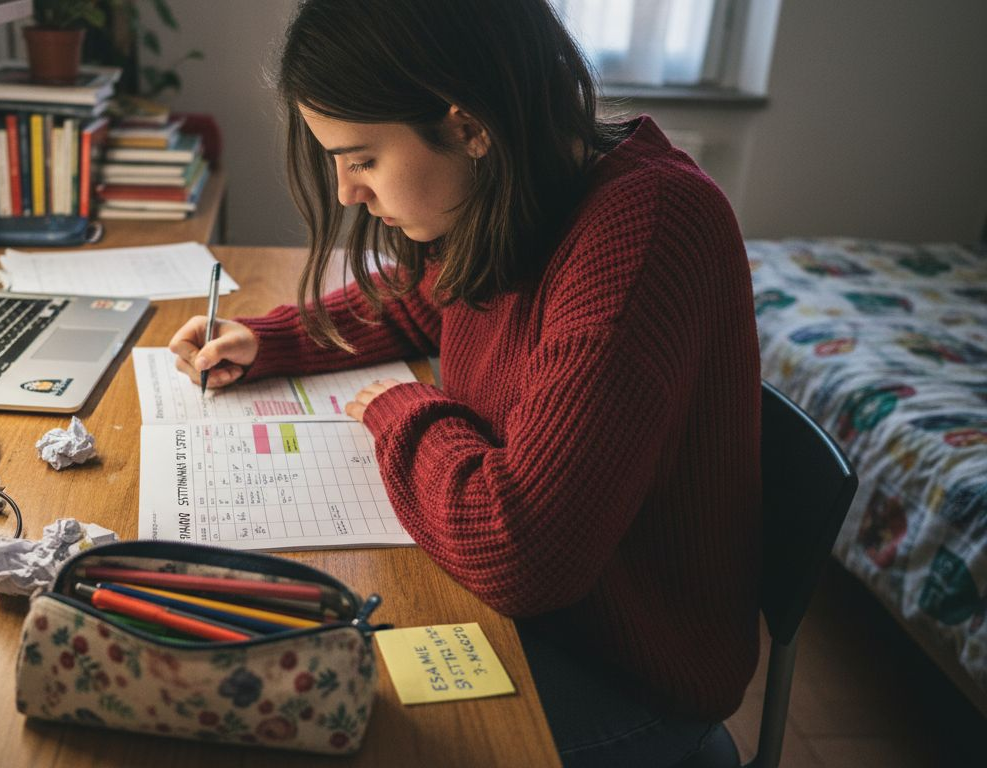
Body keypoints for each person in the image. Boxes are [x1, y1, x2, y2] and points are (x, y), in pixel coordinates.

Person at [169, 1, 760, 765]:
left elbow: (520, 548)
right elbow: (432, 297)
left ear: (467, 126)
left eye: (363, 158)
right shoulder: (531, 187)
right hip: (532, 623)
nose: (347, 192)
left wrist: (404, 409)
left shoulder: (643, 228)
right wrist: (273, 339)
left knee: (285, 729)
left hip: (625, 675)